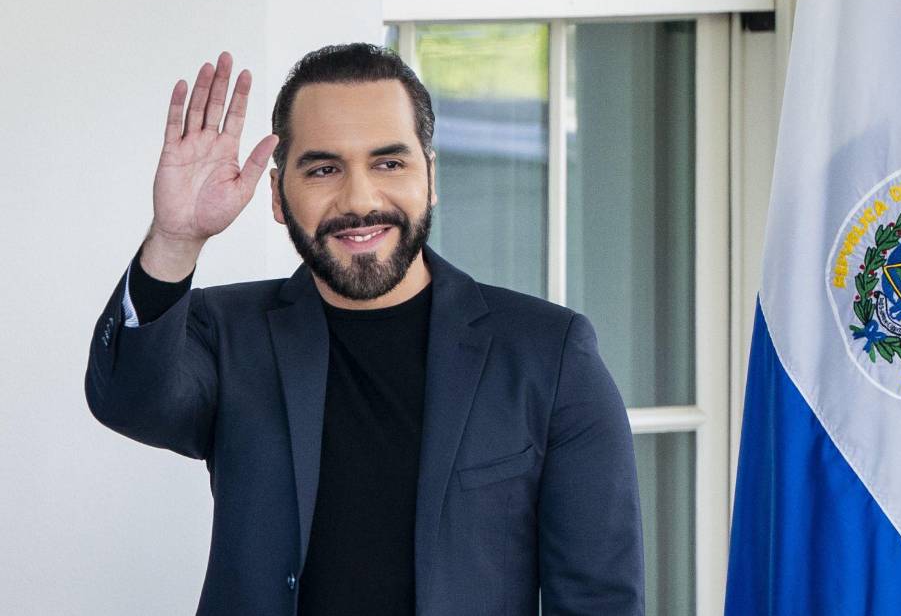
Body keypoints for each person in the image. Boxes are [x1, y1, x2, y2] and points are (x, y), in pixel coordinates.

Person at [84, 44, 644, 615]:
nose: (359, 200)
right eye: (324, 169)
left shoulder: (551, 355)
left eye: (389, 164)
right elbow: (128, 401)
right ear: (277, 195)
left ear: (431, 176)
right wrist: (175, 240)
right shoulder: (224, 333)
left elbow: (599, 599)